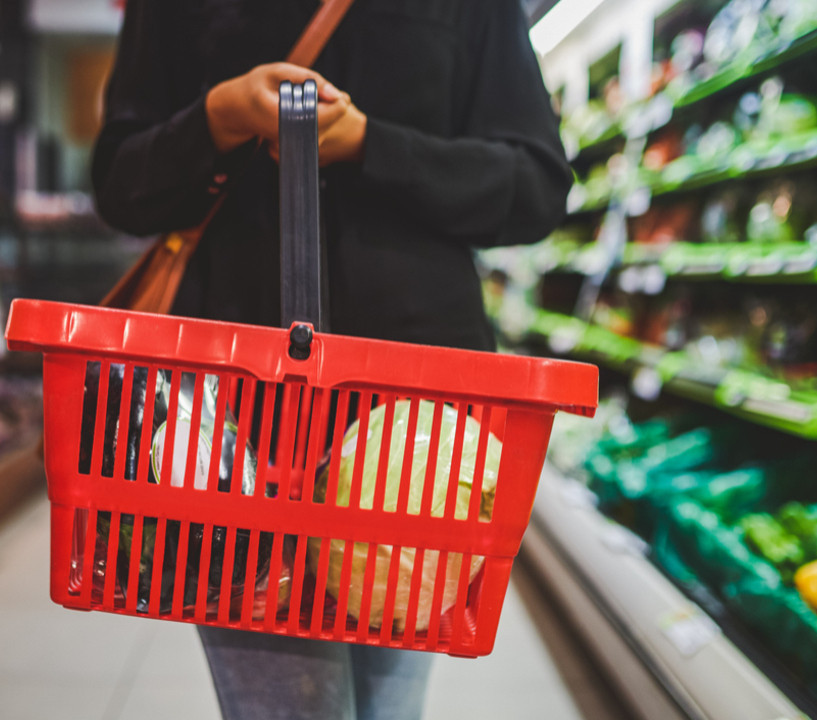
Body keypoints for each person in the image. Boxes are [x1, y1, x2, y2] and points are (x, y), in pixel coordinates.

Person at [91, 1, 571, 718]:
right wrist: (217, 117)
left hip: (420, 434)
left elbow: (536, 186)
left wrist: (373, 145)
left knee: (388, 707)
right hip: (234, 424)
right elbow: (119, 182)